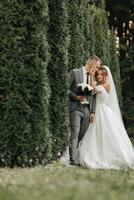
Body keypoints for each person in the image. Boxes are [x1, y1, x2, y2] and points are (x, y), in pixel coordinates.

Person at [78, 66, 134, 169]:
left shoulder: (106, 85)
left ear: (105, 76)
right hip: (97, 111)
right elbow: (91, 90)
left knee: (107, 134)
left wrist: (90, 76)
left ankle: (109, 156)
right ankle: (96, 154)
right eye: (97, 74)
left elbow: (92, 88)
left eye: (101, 74)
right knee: (95, 134)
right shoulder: (99, 85)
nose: (99, 76)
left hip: (103, 112)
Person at [68, 55, 101, 165]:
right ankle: (73, 161)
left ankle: (77, 157)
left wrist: (93, 112)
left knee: (82, 136)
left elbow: (94, 97)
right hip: (76, 108)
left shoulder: (93, 78)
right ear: (91, 64)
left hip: (87, 111)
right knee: (75, 134)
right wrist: (76, 97)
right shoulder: (75, 72)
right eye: (97, 67)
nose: (97, 70)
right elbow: (65, 89)